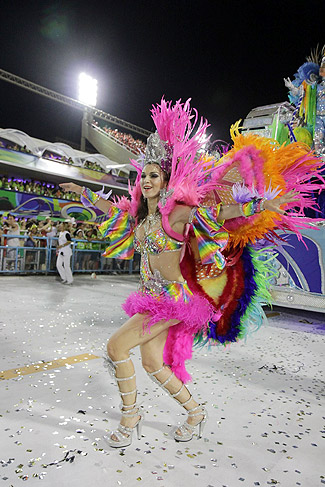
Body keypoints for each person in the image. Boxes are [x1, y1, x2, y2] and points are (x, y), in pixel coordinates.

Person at [60, 99, 323, 449]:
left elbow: (218, 211)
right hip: (150, 296)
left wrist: (259, 204)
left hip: (170, 298)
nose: (149, 180)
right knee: (153, 362)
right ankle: (195, 412)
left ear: (166, 180)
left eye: (155, 175)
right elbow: (112, 210)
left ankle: (130, 417)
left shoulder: (177, 214)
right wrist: (83, 193)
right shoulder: (142, 219)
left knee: (115, 347)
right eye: (145, 175)